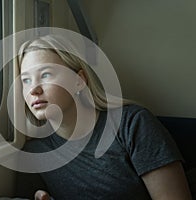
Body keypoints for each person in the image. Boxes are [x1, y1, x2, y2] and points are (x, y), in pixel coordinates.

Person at [13, 34, 192, 200]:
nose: (33, 90)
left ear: (79, 80)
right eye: (26, 80)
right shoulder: (35, 152)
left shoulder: (132, 124)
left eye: (45, 75)